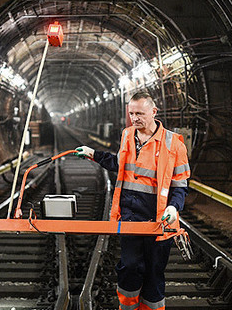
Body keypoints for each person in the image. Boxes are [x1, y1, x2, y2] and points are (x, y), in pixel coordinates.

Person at [76, 92, 190, 310]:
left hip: (159, 220)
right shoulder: (127, 135)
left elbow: (180, 184)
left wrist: (174, 208)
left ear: (154, 112)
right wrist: (94, 154)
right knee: (130, 267)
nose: (135, 118)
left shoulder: (174, 144)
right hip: (130, 216)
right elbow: (121, 166)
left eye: (140, 113)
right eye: (131, 113)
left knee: (154, 273)